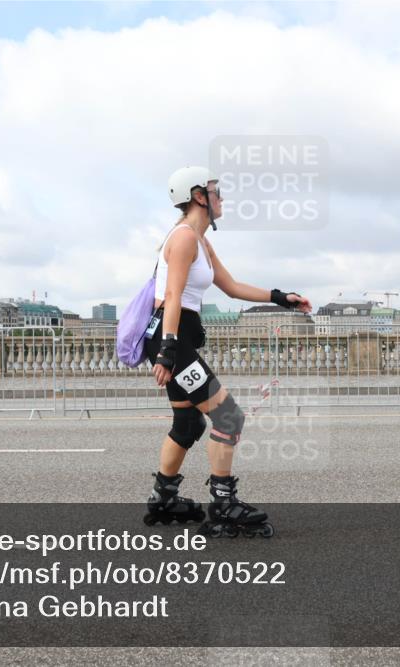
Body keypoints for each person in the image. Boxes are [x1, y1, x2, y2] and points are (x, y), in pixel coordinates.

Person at [142, 166, 312, 537]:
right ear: (199, 196)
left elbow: (231, 287)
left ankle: (163, 500)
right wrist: (168, 351)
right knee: (229, 417)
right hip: (172, 337)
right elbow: (172, 295)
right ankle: (222, 506)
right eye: (216, 191)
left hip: (174, 334)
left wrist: (280, 298)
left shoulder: (201, 241)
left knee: (188, 423)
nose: (222, 198)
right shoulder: (184, 237)